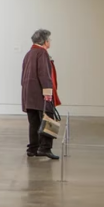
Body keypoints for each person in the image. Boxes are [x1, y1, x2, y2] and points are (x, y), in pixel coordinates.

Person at [22, 29, 60, 160]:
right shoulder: (42, 53)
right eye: (49, 39)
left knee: (34, 122)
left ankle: (33, 148)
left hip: (29, 95)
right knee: (48, 120)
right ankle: (45, 148)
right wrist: (48, 94)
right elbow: (44, 74)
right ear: (44, 41)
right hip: (41, 95)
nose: (50, 41)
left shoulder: (29, 53)